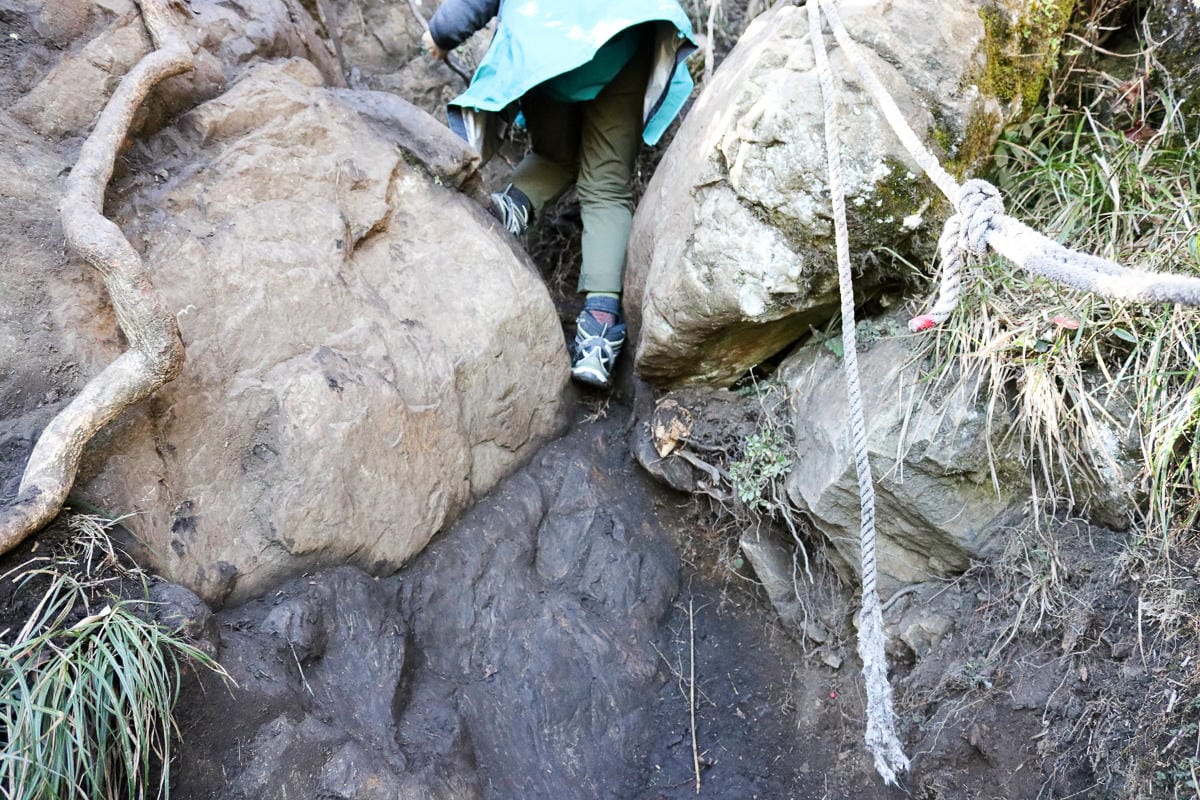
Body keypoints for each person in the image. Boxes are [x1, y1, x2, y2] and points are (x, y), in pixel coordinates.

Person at [422, 0, 697, 389]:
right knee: (606, 187)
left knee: (555, 154)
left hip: (543, 46)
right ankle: (598, 336)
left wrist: (440, 34)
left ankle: (505, 213)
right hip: (620, 33)